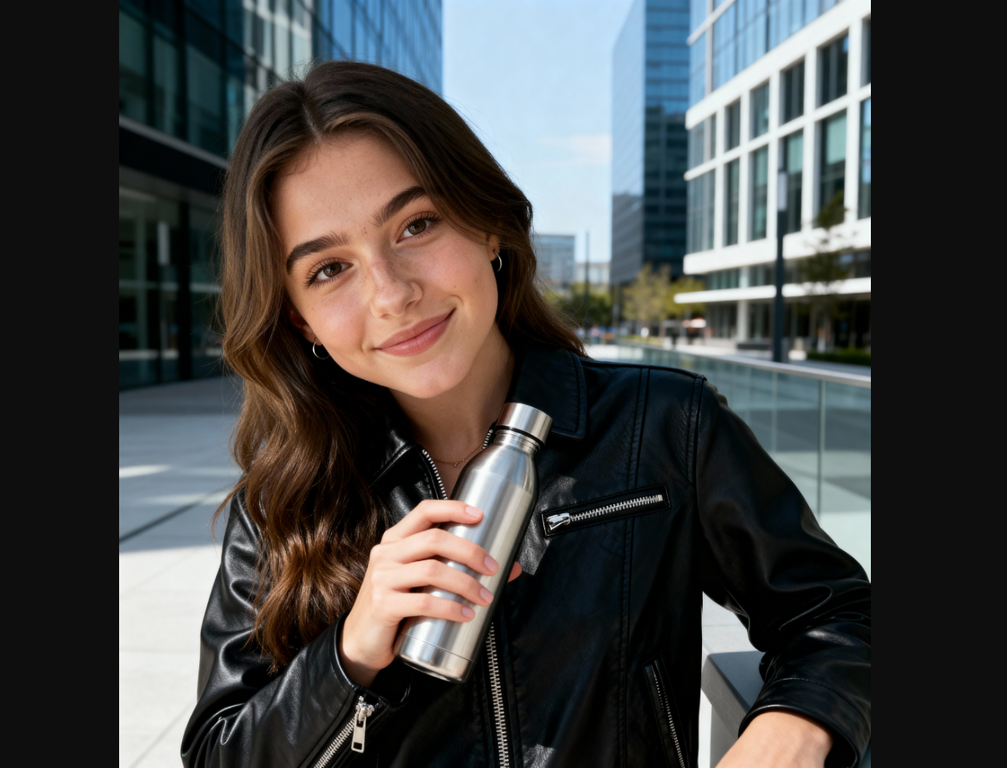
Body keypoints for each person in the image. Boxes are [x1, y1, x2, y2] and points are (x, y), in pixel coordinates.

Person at [182, 62, 870, 768]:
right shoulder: (279, 509)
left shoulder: (664, 426)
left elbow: (841, 618)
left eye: (416, 224)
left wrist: (788, 730)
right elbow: (217, 753)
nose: (391, 292)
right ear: (301, 323)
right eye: (329, 268)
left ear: (486, 226)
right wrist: (350, 654)